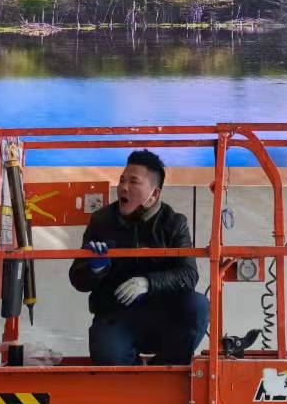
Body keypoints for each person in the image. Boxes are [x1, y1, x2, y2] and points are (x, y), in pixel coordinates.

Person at [69, 149, 209, 365]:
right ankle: (130, 370)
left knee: (198, 305)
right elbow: (78, 280)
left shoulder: (174, 222)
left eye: (133, 182)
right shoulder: (101, 220)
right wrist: (95, 269)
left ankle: (163, 368)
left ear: (154, 194)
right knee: (107, 353)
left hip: (163, 315)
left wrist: (148, 283)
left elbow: (189, 274)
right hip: (116, 315)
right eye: (122, 180)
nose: (123, 187)